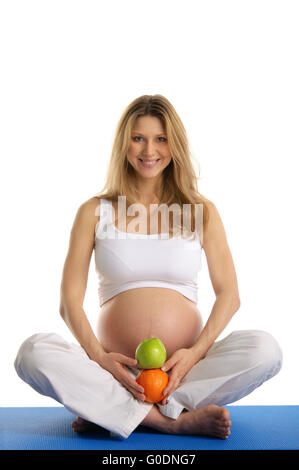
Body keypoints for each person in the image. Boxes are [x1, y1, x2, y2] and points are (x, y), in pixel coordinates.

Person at [14, 94, 283, 441]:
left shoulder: (201, 211)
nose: (148, 150)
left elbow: (229, 295)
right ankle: (170, 421)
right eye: (138, 138)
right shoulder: (94, 212)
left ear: (174, 145)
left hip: (183, 374)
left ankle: (116, 412)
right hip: (112, 372)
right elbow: (68, 301)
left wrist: (195, 353)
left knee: (266, 350)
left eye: (160, 139)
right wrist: (99, 359)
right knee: (32, 353)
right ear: (124, 143)